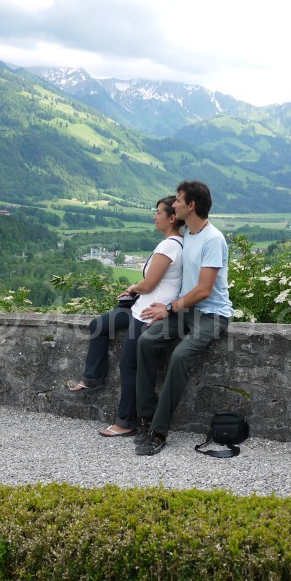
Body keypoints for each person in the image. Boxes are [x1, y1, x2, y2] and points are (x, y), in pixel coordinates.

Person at [69, 196, 184, 437]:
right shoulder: (171, 244)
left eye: (158, 212)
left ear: (172, 218)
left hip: (148, 313)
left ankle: (126, 421)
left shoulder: (171, 245)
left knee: (128, 365)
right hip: (138, 308)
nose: (155, 216)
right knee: (100, 324)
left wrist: (133, 288)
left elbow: (150, 282)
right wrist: (135, 291)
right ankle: (93, 378)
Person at [133, 180, 233, 455]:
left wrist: (168, 308)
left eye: (178, 200)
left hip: (212, 316)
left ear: (191, 205)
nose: (173, 205)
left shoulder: (213, 239)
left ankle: (159, 432)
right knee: (146, 341)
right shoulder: (189, 234)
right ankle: (145, 418)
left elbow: (203, 289)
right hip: (186, 312)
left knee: (179, 357)